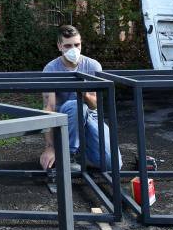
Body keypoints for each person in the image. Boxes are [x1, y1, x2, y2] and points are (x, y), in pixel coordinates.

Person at [39, 25, 122, 172]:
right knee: (76, 106)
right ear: (60, 46)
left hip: (90, 116)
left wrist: (84, 93)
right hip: (65, 121)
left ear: (81, 43)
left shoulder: (93, 65)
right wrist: (49, 147)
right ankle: (68, 155)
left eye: (77, 45)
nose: (74, 49)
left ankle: (81, 151)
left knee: (113, 164)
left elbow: (95, 105)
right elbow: (49, 109)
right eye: (68, 45)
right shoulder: (51, 69)